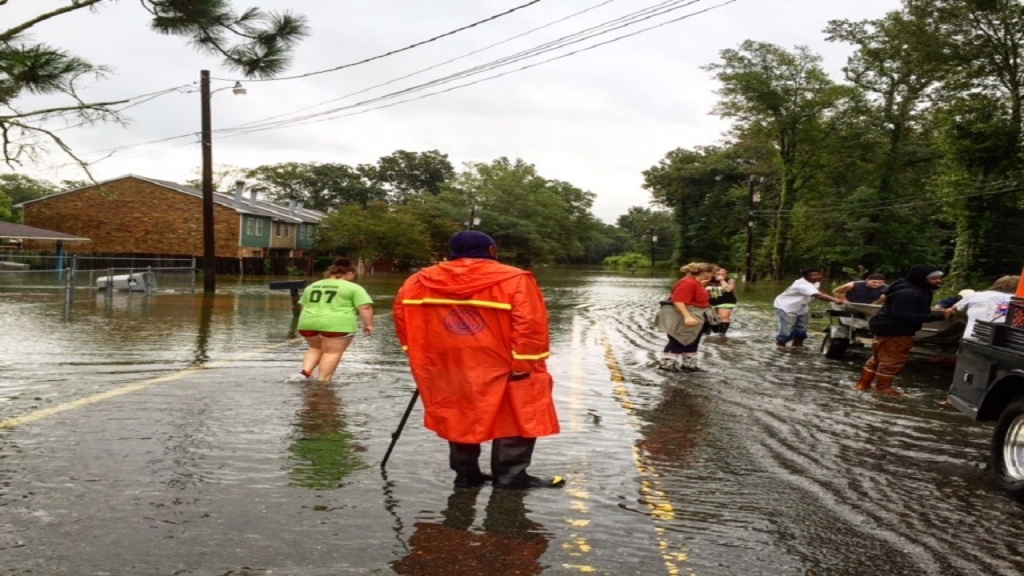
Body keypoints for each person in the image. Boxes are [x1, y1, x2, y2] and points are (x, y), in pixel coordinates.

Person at [393, 230, 563, 490]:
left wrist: (418, 356)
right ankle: (509, 476)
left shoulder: (417, 281)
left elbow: (402, 318)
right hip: (502, 362)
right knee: (515, 415)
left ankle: (466, 475)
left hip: (444, 364)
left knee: (457, 413)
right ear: (491, 250)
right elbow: (530, 323)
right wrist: (524, 363)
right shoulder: (515, 279)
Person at [855, 265, 954, 395]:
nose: (938, 281)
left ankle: (863, 385)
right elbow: (902, 314)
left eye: (939, 278)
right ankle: (883, 389)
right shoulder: (909, 292)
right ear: (921, 278)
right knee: (892, 361)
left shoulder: (911, 288)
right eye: (934, 278)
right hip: (896, 330)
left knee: (878, 358)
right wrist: (940, 316)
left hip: (886, 326)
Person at [295, 257, 374, 382]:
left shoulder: (312, 286)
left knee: (315, 348)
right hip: (336, 325)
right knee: (331, 352)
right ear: (349, 273)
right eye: (353, 275)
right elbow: (365, 307)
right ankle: (323, 381)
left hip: (307, 323)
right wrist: (368, 325)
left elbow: (303, 305)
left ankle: (305, 372)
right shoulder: (353, 288)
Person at [655, 262, 718, 372]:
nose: (713, 276)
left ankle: (689, 365)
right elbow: (678, 301)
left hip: (697, 315)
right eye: (712, 273)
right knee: (678, 340)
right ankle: (666, 366)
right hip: (686, 316)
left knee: (692, 340)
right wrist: (687, 316)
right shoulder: (688, 283)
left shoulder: (695, 282)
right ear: (704, 273)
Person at [773, 268, 843, 348]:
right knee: (787, 328)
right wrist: (835, 300)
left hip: (801, 307)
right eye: (812, 275)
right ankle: (780, 344)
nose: (816, 277)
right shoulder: (802, 285)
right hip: (786, 306)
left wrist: (832, 298)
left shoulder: (815, 282)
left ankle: (797, 345)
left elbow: (818, 291)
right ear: (805, 277)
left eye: (818, 274)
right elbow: (818, 295)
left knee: (802, 328)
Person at [955, 276, 1019, 340]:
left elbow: (954, 310)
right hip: (1007, 344)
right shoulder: (1019, 301)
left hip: (971, 339)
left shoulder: (976, 295)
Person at [706, 267, 737, 335]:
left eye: (723, 274)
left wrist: (722, 280)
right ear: (714, 274)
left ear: (726, 275)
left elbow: (728, 290)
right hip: (712, 301)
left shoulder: (730, 281)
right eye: (718, 274)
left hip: (726, 300)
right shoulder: (708, 280)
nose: (720, 275)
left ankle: (722, 335)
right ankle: (713, 333)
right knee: (712, 318)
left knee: (723, 317)